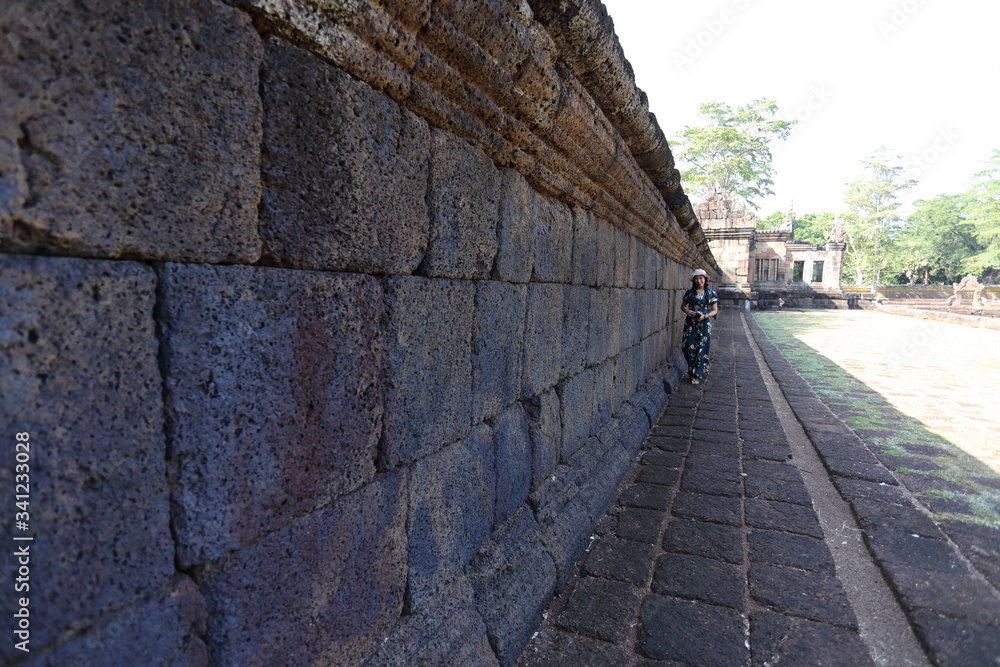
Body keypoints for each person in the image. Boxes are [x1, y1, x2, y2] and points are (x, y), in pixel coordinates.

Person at [680, 268, 719, 385]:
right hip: (691, 323)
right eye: (696, 279)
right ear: (694, 280)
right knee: (688, 346)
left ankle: (697, 374)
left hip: (704, 323)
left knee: (702, 347)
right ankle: (691, 369)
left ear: (705, 279)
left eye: (701, 278)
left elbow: (715, 311)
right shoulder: (689, 293)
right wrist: (688, 312)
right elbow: (683, 306)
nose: (699, 281)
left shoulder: (710, 293)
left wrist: (705, 315)